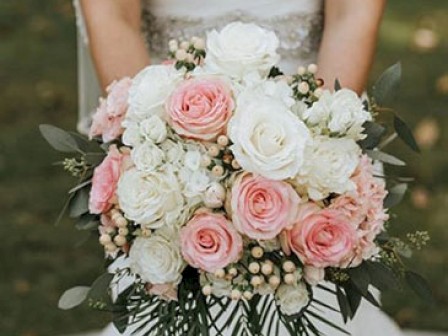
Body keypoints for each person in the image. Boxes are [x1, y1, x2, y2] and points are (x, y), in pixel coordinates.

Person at [73, 0, 402, 335]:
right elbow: (113, 18)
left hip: (315, 133)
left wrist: (319, 144)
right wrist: (154, 148)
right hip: (168, 150)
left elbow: (351, 15)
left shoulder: (318, 148)